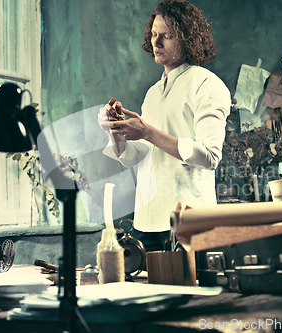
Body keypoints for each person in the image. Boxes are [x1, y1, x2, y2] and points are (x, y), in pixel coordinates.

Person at [98, 0, 230, 252]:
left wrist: (147, 131)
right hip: (146, 222)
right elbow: (135, 158)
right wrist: (115, 132)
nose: (156, 43)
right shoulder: (153, 93)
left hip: (188, 219)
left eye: (166, 36)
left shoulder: (206, 84)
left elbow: (210, 156)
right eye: (154, 35)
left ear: (187, 39)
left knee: (190, 292)